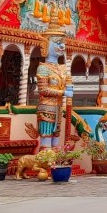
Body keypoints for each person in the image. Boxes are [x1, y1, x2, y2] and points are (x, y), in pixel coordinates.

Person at [35, 20, 72, 148]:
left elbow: (68, 85)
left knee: (56, 143)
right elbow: (43, 90)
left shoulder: (63, 69)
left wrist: (69, 86)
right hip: (46, 108)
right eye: (57, 42)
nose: (62, 46)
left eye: (62, 42)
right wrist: (64, 92)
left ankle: (57, 160)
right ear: (46, 44)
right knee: (46, 142)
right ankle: (46, 160)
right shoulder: (43, 68)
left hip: (58, 108)